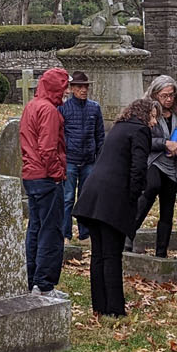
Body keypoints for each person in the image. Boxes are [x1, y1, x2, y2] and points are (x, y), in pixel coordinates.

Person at [74, 98, 158, 316]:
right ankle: (115, 309)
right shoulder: (140, 131)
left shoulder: (119, 128)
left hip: (92, 195)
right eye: (154, 116)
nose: (155, 122)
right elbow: (138, 168)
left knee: (99, 254)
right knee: (111, 255)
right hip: (112, 199)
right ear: (144, 114)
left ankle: (99, 305)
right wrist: (133, 197)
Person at [20, 66, 70, 294]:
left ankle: (31, 280)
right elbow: (48, 148)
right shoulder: (49, 111)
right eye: (64, 87)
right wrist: (58, 173)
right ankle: (45, 283)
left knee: (36, 228)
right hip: (46, 176)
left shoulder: (32, 106)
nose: (67, 92)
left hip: (31, 174)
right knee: (51, 230)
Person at [134, 75, 177, 258]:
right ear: (155, 94)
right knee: (149, 192)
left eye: (172, 95)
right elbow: (143, 140)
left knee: (168, 207)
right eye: (164, 95)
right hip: (153, 160)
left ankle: (161, 251)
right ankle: (127, 236)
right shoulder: (148, 112)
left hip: (171, 165)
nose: (168, 99)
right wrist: (165, 143)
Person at [60, 72, 106, 239]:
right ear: (72, 89)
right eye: (79, 87)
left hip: (88, 160)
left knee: (86, 197)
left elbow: (99, 134)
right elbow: (61, 134)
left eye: (85, 86)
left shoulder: (94, 107)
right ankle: (65, 231)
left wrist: (99, 156)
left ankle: (85, 231)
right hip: (71, 160)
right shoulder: (64, 108)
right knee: (68, 197)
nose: (83, 90)